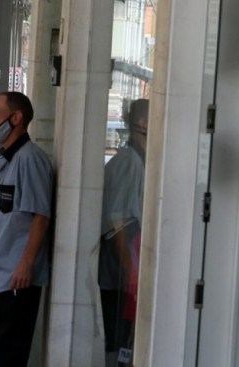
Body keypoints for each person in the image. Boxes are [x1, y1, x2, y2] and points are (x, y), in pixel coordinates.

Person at [0, 91, 53, 367]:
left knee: (9, 353)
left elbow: (41, 216)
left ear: (17, 118)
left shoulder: (29, 158)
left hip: (17, 276)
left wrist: (26, 264)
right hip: (2, 273)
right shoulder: (9, 159)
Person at [98, 99, 148, 366]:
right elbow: (119, 223)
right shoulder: (130, 163)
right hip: (121, 272)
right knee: (119, 341)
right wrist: (132, 273)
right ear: (142, 124)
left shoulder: (138, 160)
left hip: (125, 270)